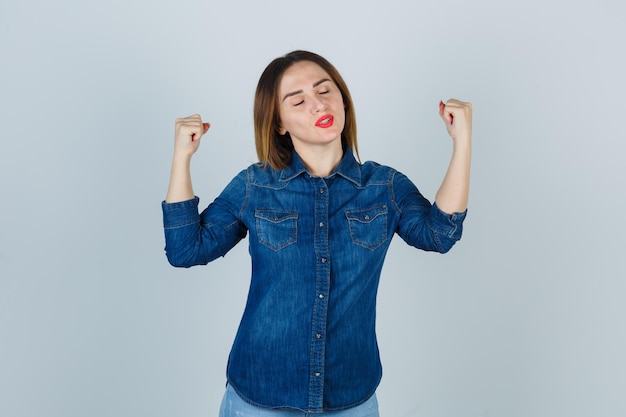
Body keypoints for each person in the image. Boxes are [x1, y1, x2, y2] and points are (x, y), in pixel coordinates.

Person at [162, 50, 472, 416]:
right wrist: (182, 157)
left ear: (342, 98)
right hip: (260, 394)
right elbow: (185, 250)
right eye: (298, 100)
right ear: (279, 123)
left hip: (349, 397)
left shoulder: (384, 186)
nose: (317, 105)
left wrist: (462, 142)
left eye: (325, 91)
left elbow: (439, 234)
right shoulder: (255, 186)